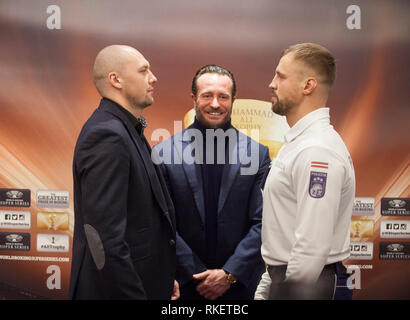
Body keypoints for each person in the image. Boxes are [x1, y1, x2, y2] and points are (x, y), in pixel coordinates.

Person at [69, 45, 179, 300]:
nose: (153, 78)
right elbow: (104, 240)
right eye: (144, 71)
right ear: (115, 80)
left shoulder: (127, 129)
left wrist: (161, 280)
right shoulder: (108, 135)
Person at [153, 65, 271, 300]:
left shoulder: (257, 153)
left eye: (223, 96)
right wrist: (198, 275)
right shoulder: (163, 153)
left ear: (233, 99)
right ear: (194, 98)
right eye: (207, 95)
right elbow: (162, 223)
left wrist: (228, 275)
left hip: (240, 287)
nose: (215, 104)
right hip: (184, 287)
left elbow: (264, 221)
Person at [255, 43, 355, 300]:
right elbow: (286, 229)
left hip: (309, 286)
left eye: (281, 76)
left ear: (308, 86)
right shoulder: (300, 143)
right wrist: (268, 284)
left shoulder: (316, 150)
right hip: (293, 280)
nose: (272, 84)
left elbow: (312, 246)